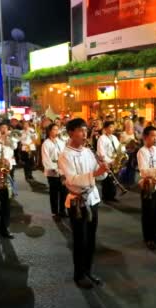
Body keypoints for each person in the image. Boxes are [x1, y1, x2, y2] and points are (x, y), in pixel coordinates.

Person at [58, 118, 108, 289]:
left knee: (92, 238)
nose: (84, 133)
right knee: (81, 239)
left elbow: (99, 176)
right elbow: (71, 180)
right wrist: (95, 173)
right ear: (71, 132)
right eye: (80, 130)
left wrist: (103, 169)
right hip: (77, 201)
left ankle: (88, 270)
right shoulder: (65, 155)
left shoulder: (88, 151)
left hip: (92, 199)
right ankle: (79, 274)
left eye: (85, 130)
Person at [41, 123, 68, 220]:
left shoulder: (61, 141)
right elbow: (46, 159)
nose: (56, 131)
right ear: (49, 131)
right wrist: (54, 169)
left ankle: (62, 210)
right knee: (54, 192)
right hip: (52, 171)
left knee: (64, 191)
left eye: (57, 129)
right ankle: (55, 212)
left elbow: (65, 154)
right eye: (54, 129)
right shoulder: (46, 143)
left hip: (62, 168)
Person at [97, 121, 123, 202]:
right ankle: (105, 196)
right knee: (107, 180)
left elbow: (119, 147)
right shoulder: (101, 138)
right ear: (105, 129)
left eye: (113, 127)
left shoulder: (114, 137)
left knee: (114, 180)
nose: (112, 129)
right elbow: (101, 152)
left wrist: (122, 152)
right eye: (110, 127)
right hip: (107, 162)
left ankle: (112, 195)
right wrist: (109, 161)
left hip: (115, 161)